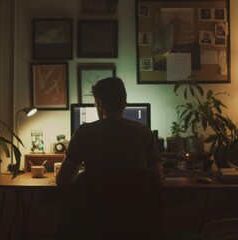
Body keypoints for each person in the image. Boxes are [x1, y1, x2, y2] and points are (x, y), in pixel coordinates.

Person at [56, 77, 164, 239]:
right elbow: (157, 179)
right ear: (125, 102)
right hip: (135, 226)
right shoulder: (144, 132)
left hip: (95, 225)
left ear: (99, 104)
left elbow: (63, 179)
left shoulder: (84, 132)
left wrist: (82, 179)